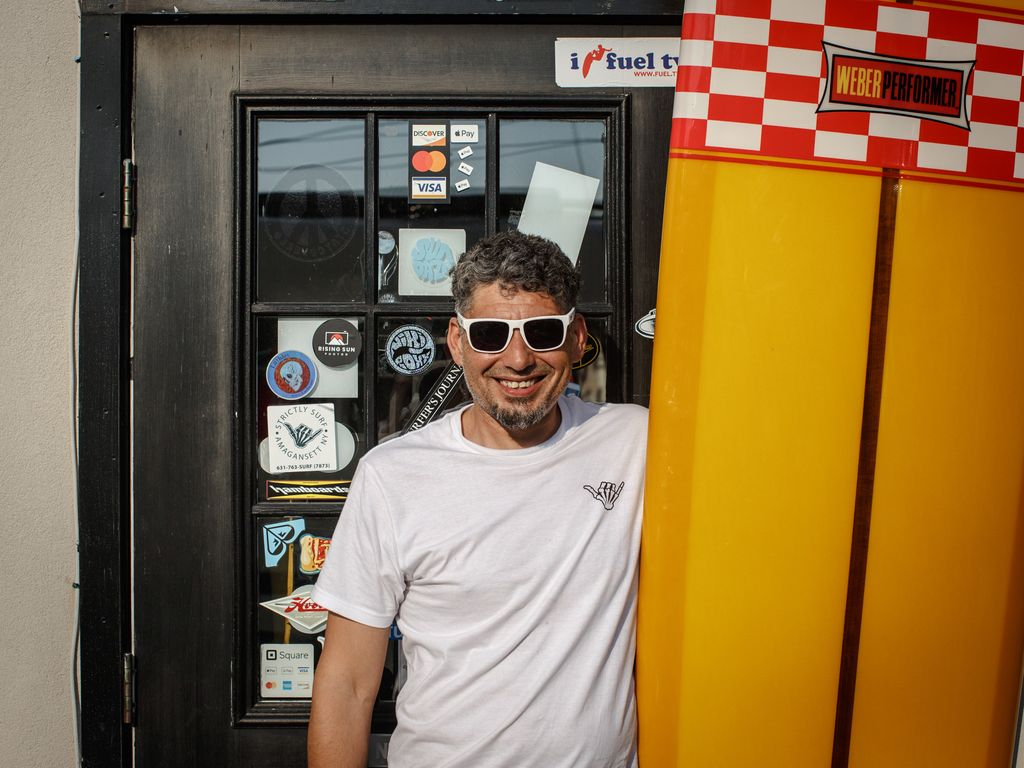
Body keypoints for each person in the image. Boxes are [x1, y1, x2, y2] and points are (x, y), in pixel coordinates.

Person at [308, 231, 648, 768]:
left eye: (541, 332)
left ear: (577, 337)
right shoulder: (392, 476)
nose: (518, 359)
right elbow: (347, 682)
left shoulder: (636, 442)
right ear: (457, 341)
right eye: (490, 334)